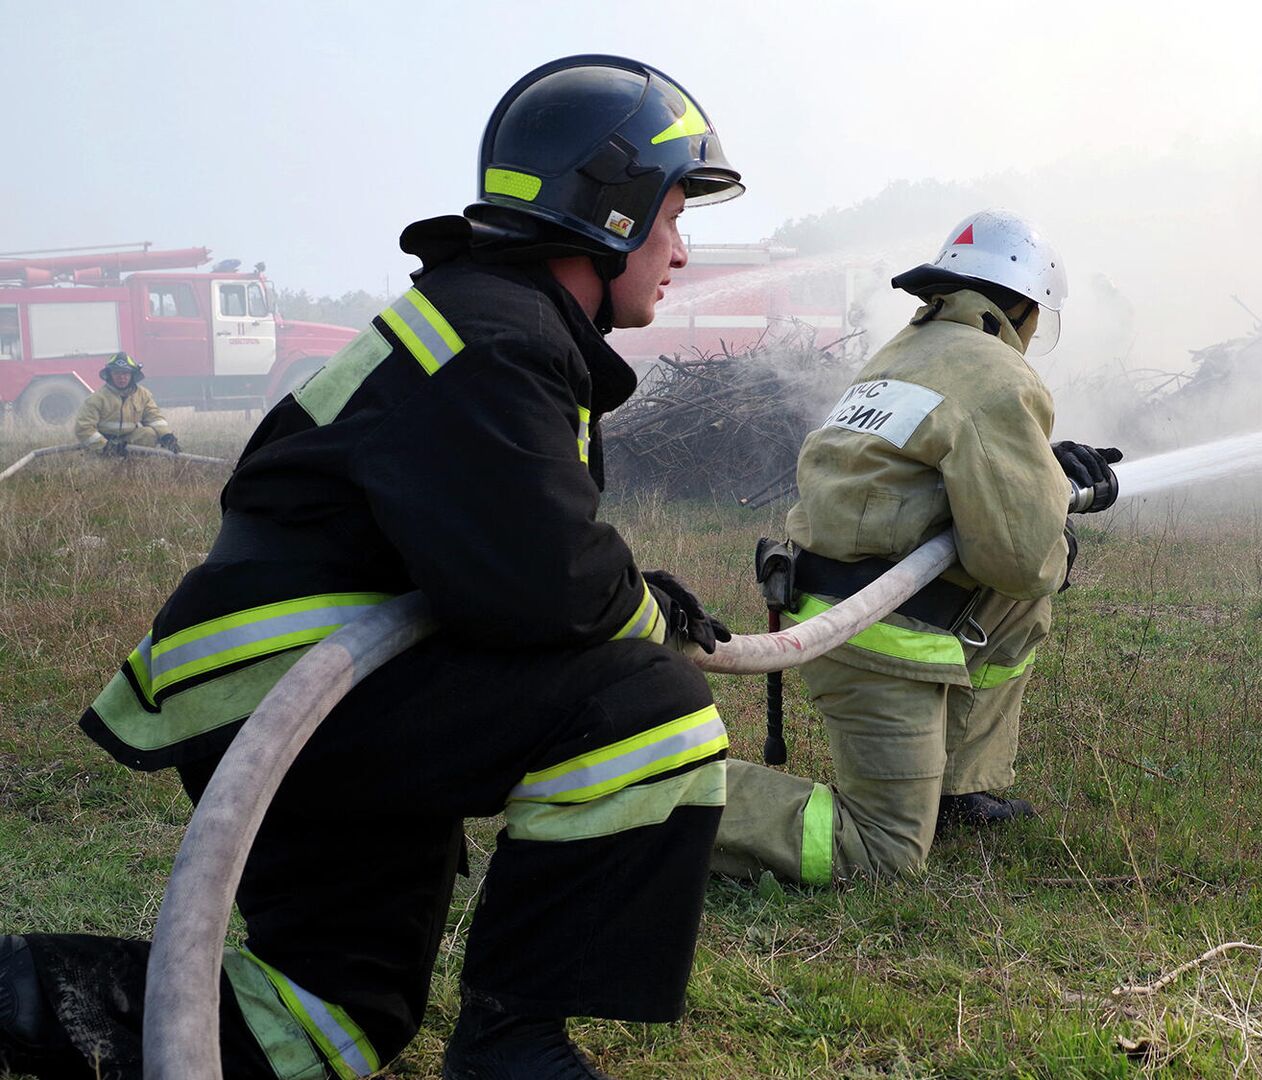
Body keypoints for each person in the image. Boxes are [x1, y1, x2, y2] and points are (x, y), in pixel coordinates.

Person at [2, 55, 743, 1080]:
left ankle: (19, 999)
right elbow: (540, 585)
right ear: (612, 211)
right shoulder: (496, 335)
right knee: (651, 707)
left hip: (290, 693)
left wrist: (619, 595)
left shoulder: (490, 321)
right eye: (674, 215)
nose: (682, 252)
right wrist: (643, 616)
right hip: (297, 689)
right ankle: (512, 1045)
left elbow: (508, 556)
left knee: (328, 1024)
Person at [711, 210, 1123, 886]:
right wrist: (1056, 538)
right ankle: (664, 794)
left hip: (825, 599)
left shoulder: (903, 352)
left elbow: (913, 474)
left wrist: (1036, 471)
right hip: (880, 633)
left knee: (1015, 613)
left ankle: (958, 789)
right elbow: (1018, 561)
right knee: (881, 854)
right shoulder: (999, 373)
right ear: (1018, 305)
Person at [74, 353, 180, 454]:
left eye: (125, 373)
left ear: (132, 375)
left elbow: (154, 418)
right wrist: (106, 446)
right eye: (117, 373)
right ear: (110, 375)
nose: (121, 377)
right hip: (105, 442)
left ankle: (135, 463)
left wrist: (166, 436)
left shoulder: (142, 394)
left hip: (129, 439)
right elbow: (83, 428)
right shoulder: (97, 398)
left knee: (149, 434)